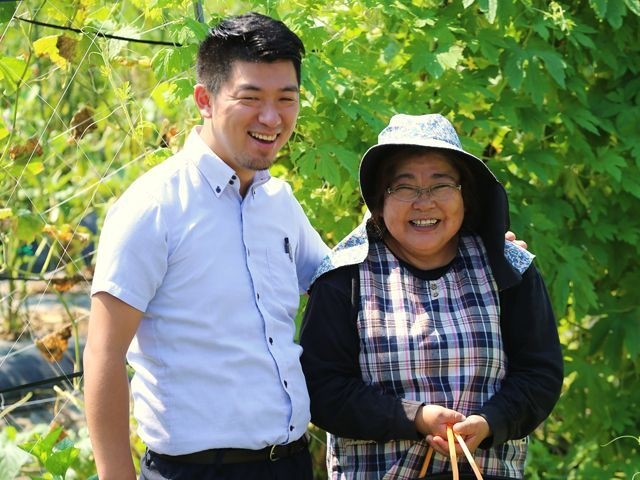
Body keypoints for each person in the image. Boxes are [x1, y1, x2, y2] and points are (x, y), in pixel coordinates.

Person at [83, 12, 329, 480]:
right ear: (205, 100)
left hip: (290, 464)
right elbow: (103, 353)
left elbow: (340, 282)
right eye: (250, 98)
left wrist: (465, 246)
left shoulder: (278, 202)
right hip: (197, 471)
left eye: (287, 99)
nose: (272, 118)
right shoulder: (153, 207)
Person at [299, 113, 563, 479]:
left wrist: (489, 423)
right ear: (379, 201)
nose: (424, 203)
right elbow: (322, 388)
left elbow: (539, 374)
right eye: (404, 187)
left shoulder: (508, 269)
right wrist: (416, 418)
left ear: (465, 195)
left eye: (441, 186)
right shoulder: (344, 277)